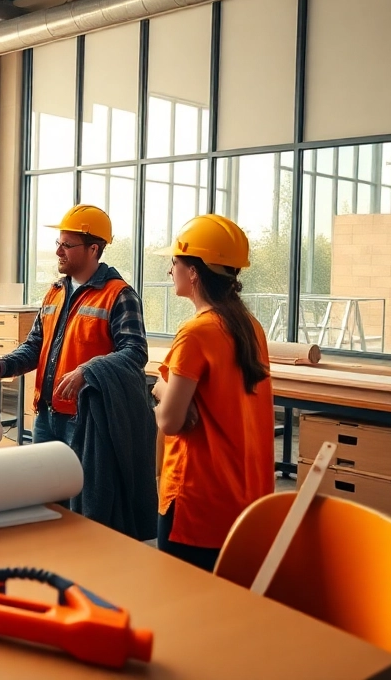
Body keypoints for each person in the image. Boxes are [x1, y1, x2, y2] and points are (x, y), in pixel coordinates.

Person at [0, 205, 155, 538]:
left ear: (94, 249)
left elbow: (135, 353)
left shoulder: (119, 296)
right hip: (46, 418)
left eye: (67, 245)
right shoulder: (55, 292)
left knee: (84, 513)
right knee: (44, 507)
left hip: (84, 423)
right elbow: (34, 348)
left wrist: (89, 370)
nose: (58, 251)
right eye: (58, 243)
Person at [150, 213, 275, 572]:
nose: (170, 270)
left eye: (175, 262)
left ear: (193, 272)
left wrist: (160, 389)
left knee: (184, 597)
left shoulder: (196, 332)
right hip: (245, 500)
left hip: (197, 501)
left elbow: (170, 421)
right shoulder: (251, 327)